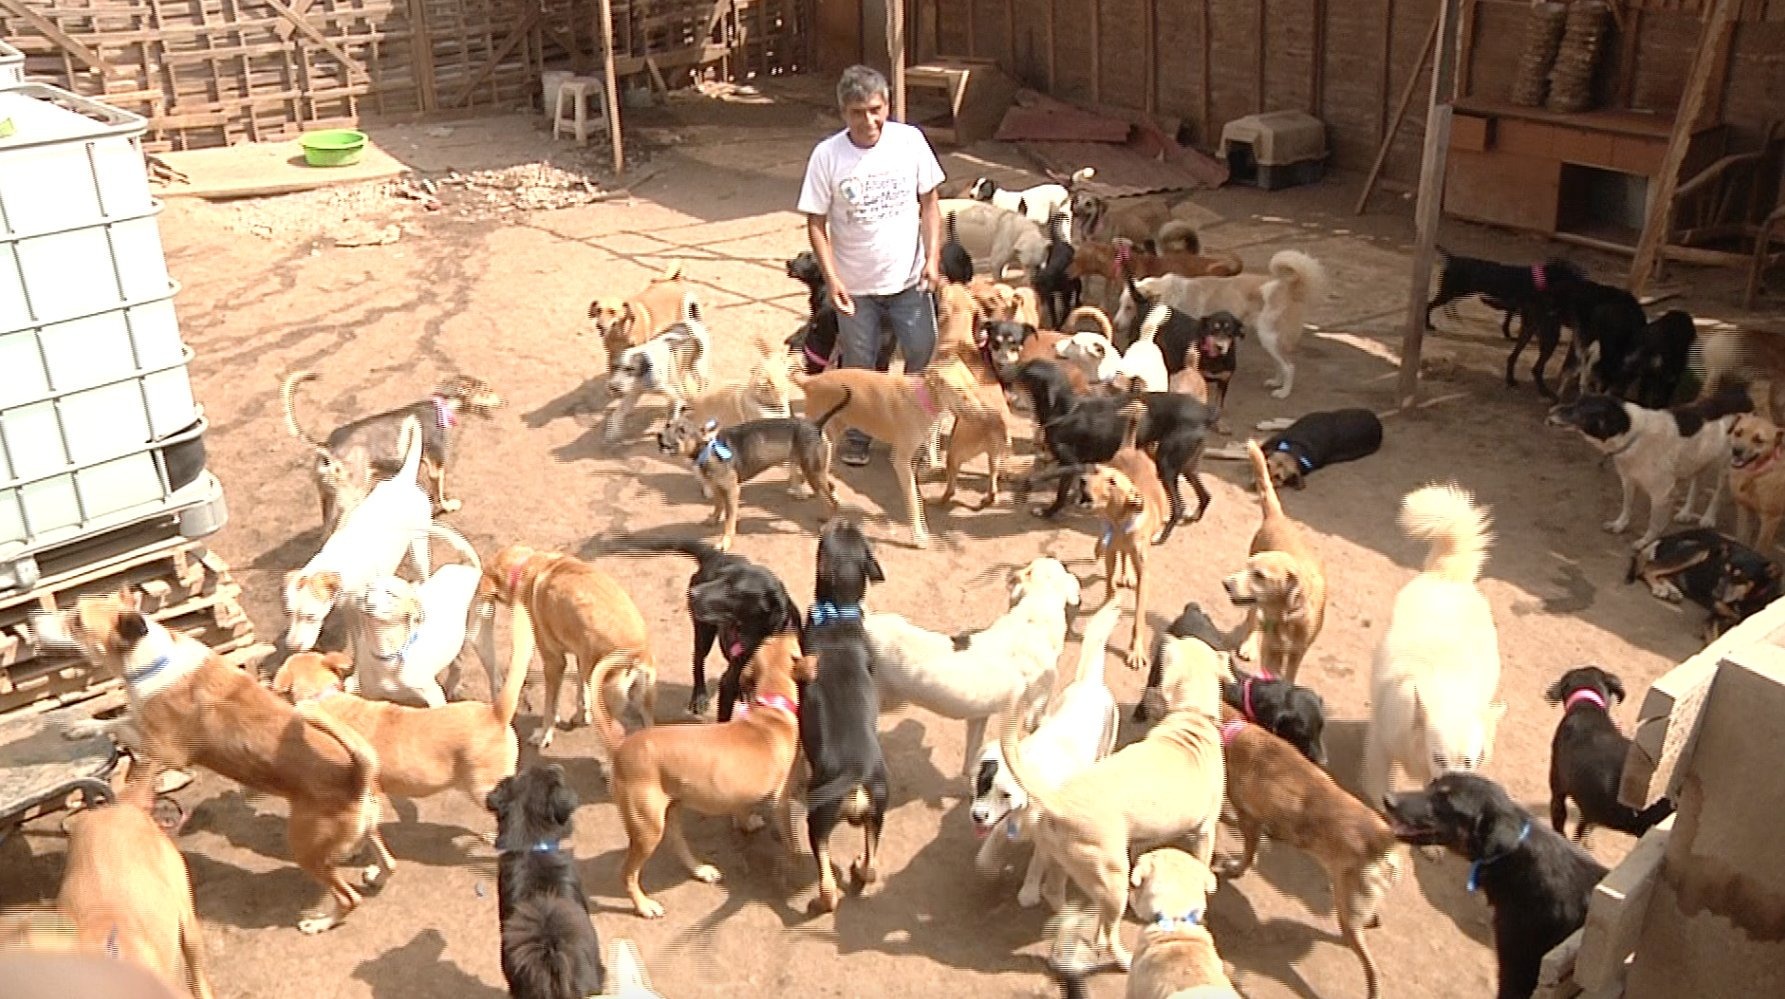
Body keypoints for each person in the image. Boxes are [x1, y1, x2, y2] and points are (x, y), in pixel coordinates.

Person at [797, 64, 946, 466]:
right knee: (860, 364)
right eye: (858, 112)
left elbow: (930, 204)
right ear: (843, 113)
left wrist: (932, 260)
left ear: (888, 105)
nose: (869, 120)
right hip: (855, 286)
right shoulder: (828, 155)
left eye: (876, 109)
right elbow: (816, 223)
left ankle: (918, 430)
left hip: (910, 281)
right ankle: (860, 434)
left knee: (922, 352)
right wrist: (832, 280)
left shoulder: (910, 142)